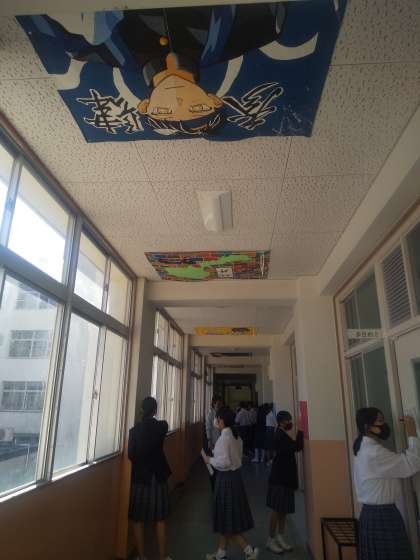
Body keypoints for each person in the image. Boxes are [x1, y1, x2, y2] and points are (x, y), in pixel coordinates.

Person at [354, 407, 420, 560]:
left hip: (371, 515)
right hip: (382, 516)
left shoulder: (363, 447)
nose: (384, 424)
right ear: (367, 426)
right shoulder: (374, 453)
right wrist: (412, 432)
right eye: (380, 421)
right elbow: (412, 463)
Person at [204, 406, 259, 560]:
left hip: (226, 479)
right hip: (235, 478)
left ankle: (249, 550)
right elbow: (233, 458)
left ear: (221, 421)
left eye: (217, 418)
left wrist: (210, 460)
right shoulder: (236, 436)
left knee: (227, 519)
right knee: (226, 518)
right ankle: (221, 553)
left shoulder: (224, 438)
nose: (215, 421)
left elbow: (224, 462)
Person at [128, 397, 172, 560]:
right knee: (160, 519)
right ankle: (162, 557)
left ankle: (142, 556)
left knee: (138, 519)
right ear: (155, 411)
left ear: (141, 410)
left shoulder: (134, 431)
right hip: (158, 477)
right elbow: (162, 428)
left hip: (141, 478)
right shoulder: (162, 426)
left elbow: (131, 455)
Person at [266, 411, 304, 553]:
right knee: (276, 510)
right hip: (279, 479)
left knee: (283, 510)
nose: (290, 423)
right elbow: (297, 446)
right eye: (289, 420)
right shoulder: (280, 435)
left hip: (285, 478)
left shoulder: (282, 434)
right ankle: (270, 539)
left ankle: (280, 537)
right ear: (282, 422)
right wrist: (301, 429)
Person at [206, 395, 223, 491]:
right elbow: (208, 428)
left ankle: (218, 484)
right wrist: (209, 441)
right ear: (213, 404)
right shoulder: (210, 414)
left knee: (218, 464)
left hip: (220, 442)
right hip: (213, 442)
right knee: (212, 466)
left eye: (220, 404)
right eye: (218, 404)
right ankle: (213, 485)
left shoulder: (220, 413)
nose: (219, 405)